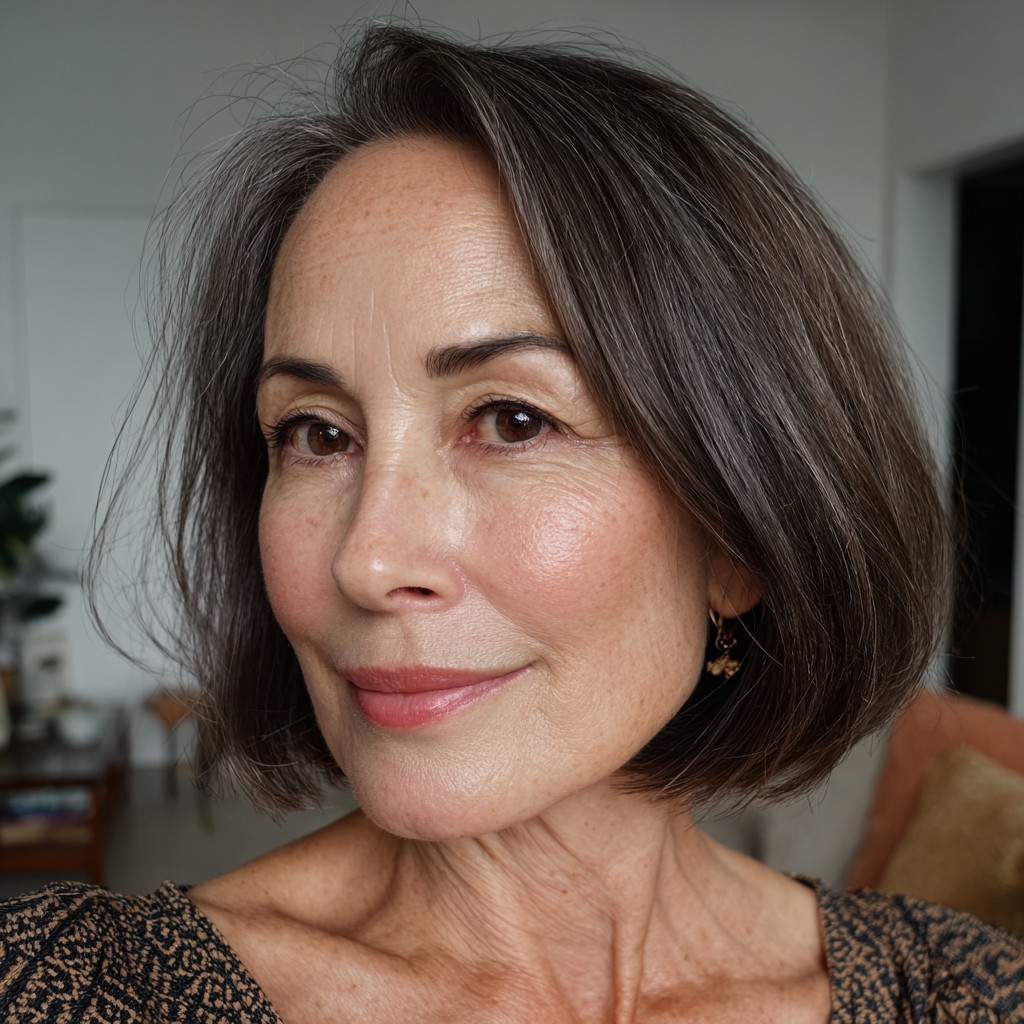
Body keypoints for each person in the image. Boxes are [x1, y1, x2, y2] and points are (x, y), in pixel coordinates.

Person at [2, 24, 1022, 1024]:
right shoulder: (63, 992)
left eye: (512, 420)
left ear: (740, 537)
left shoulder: (964, 993)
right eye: (317, 433)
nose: (366, 558)